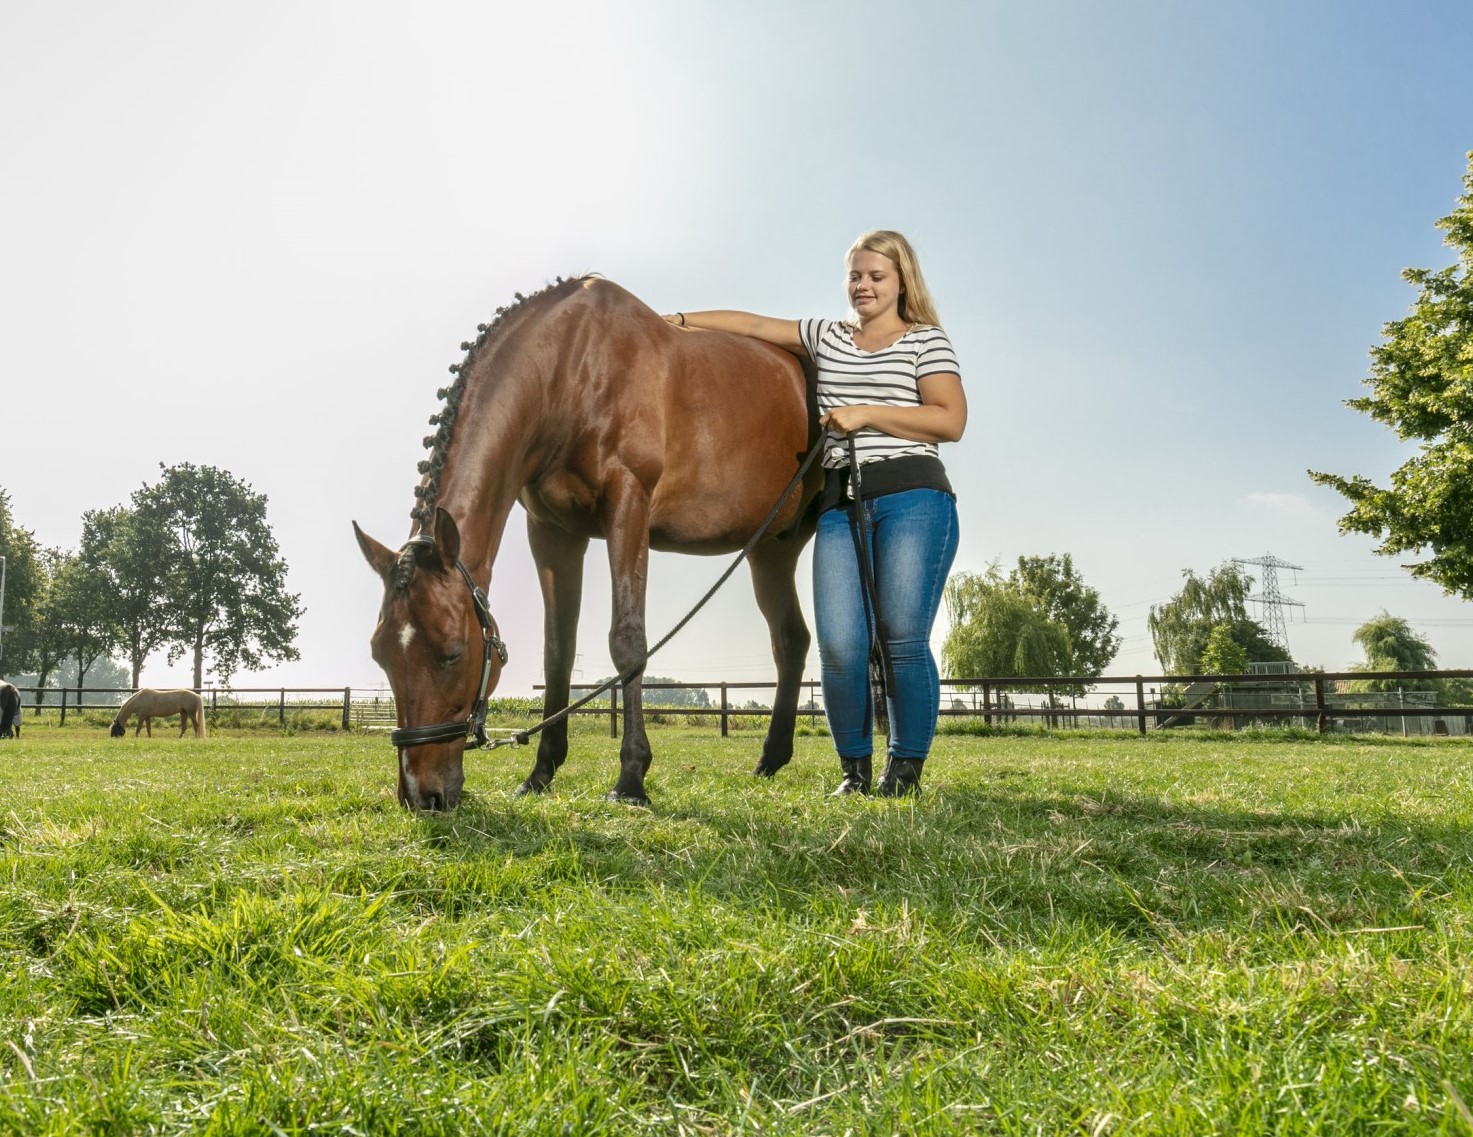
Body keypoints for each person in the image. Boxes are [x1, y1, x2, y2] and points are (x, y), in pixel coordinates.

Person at [664, 230, 966, 797]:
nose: (863, 286)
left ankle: (904, 772)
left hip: (914, 499)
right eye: (856, 276)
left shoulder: (927, 340)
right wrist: (674, 322)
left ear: (902, 281)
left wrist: (866, 415)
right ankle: (853, 771)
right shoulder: (826, 336)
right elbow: (752, 325)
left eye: (876, 276)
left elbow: (949, 421)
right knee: (840, 644)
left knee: (901, 637)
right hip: (840, 504)